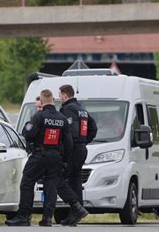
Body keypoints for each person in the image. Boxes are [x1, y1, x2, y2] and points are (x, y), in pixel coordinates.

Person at [5, 89, 72, 227]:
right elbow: (68, 143)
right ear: (53, 99)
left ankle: (23, 216)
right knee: (51, 186)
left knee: (27, 183)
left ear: (41, 101)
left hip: (40, 155)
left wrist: (27, 128)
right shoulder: (62, 118)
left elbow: (28, 134)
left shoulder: (39, 116)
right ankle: (47, 218)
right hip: (55, 157)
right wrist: (64, 160)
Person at [57, 84, 97, 225]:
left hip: (72, 149)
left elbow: (70, 132)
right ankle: (75, 215)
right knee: (75, 181)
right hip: (81, 149)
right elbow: (93, 128)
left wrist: (65, 150)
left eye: (60, 95)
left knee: (58, 180)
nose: (59, 98)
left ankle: (76, 207)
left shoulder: (67, 109)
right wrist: (84, 141)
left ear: (65, 94)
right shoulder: (82, 109)